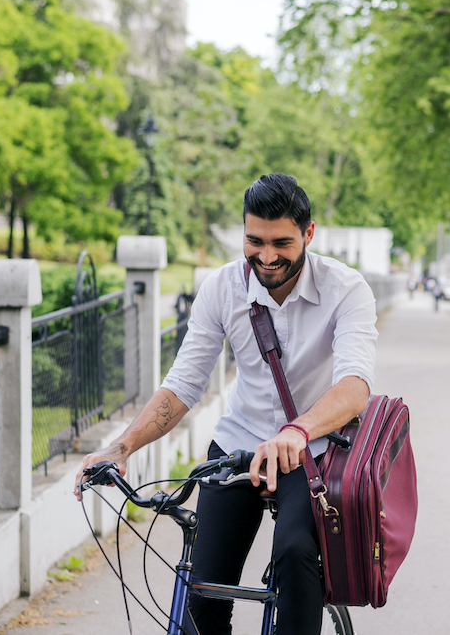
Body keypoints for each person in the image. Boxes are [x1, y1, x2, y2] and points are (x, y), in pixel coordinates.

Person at [74, 173, 377, 635]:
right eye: (254, 241)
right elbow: (183, 385)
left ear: (309, 234)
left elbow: (355, 386)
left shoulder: (346, 289)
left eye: (282, 243)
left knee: (296, 554)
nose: (267, 256)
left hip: (313, 452)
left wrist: (296, 431)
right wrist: (121, 447)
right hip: (239, 446)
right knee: (203, 590)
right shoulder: (222, 289)